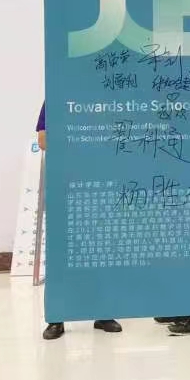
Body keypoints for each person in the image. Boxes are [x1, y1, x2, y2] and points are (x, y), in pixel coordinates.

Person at [36, 103, 122, 340]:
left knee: (100, 250)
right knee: (59, 255)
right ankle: (56, 318)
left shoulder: (100, 99)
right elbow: (43, 140)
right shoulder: (54, 98)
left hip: (96, 182)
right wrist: (80, 138)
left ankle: (103, 314)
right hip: (63, 184)